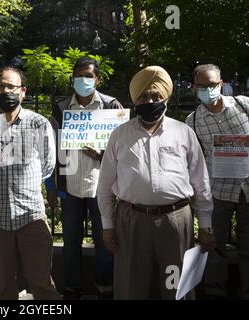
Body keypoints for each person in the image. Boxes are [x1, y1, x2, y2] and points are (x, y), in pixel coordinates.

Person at [98, 65, 216, 300]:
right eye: (143, 96)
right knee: (132, 286)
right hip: (132, 220)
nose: (149, 100)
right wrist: (108, 225)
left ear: (166, 99)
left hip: (175, 222)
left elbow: (200, 182)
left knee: (175, 287)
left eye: (156, 96)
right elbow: (104, 187)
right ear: (135, 99)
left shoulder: (183, 132)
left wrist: (205, 225)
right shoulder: (120, 135)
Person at [0, 66, 61, 300]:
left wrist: (24, 184)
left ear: (23, 91)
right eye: (0, 86)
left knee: (41, 283)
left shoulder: (39, 124)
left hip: (30, 216)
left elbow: (48, 165)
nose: (5, 91)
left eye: (11, 86)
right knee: (2, 286)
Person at [45, 57, 121, 300]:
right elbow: (51, 149)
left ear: (97, 79)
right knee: (70, 245)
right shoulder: (61, 107)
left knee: (105, 244)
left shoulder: (111, 106)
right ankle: (73, 289)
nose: (83, 80)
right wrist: (51, 186)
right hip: (70, 186)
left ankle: (105, 289)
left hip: (103, 187)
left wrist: (102, 154)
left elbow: (123, 148)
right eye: (79, 75)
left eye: (88, 76)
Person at [185, 64, 249, 300]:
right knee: (214, 246)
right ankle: (215, 292)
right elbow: (195, 160)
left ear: (220, 84)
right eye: (202, 86)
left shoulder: (244, 104)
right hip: (218, 192)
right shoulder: (193, 121)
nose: (207, 90)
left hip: (248, 190)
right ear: (194, 88)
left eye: (212, 85)